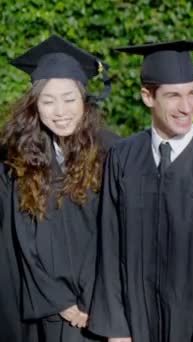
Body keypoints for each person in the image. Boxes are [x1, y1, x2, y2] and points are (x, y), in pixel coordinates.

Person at [88, 40, 193, 342]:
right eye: (173, 96)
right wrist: (116, 329)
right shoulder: (123, 156)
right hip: (133, 323)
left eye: (192, 94)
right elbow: (110, 243)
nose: (186, 107)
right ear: (147, 97)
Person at [1, 34, 117, 342]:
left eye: (69, 99)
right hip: (50, 309)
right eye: (48, 101)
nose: (60, 111)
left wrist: (100, 301)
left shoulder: (113, 154)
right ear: (35, 106)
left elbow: (121, 234)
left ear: (84, 100)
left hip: (105, 308)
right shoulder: (22, 161)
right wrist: (62, 303)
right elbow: (22, 238)